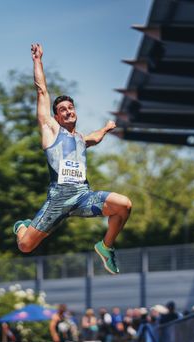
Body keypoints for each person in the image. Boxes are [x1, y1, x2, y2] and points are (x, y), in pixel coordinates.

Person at [12, 43, 132, 274]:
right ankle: (21, 227)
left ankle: (105, 247)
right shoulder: (51, 131)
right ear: (56, 117)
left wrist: (106, 128)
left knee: (124, 205)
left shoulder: (79, 139)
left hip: (83, 197)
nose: (68, 111)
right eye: (63, 110)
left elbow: (94, 139)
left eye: (71, 107)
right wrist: (38, 61)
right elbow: (42, 91)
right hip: (58, 201)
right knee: (25, 246)